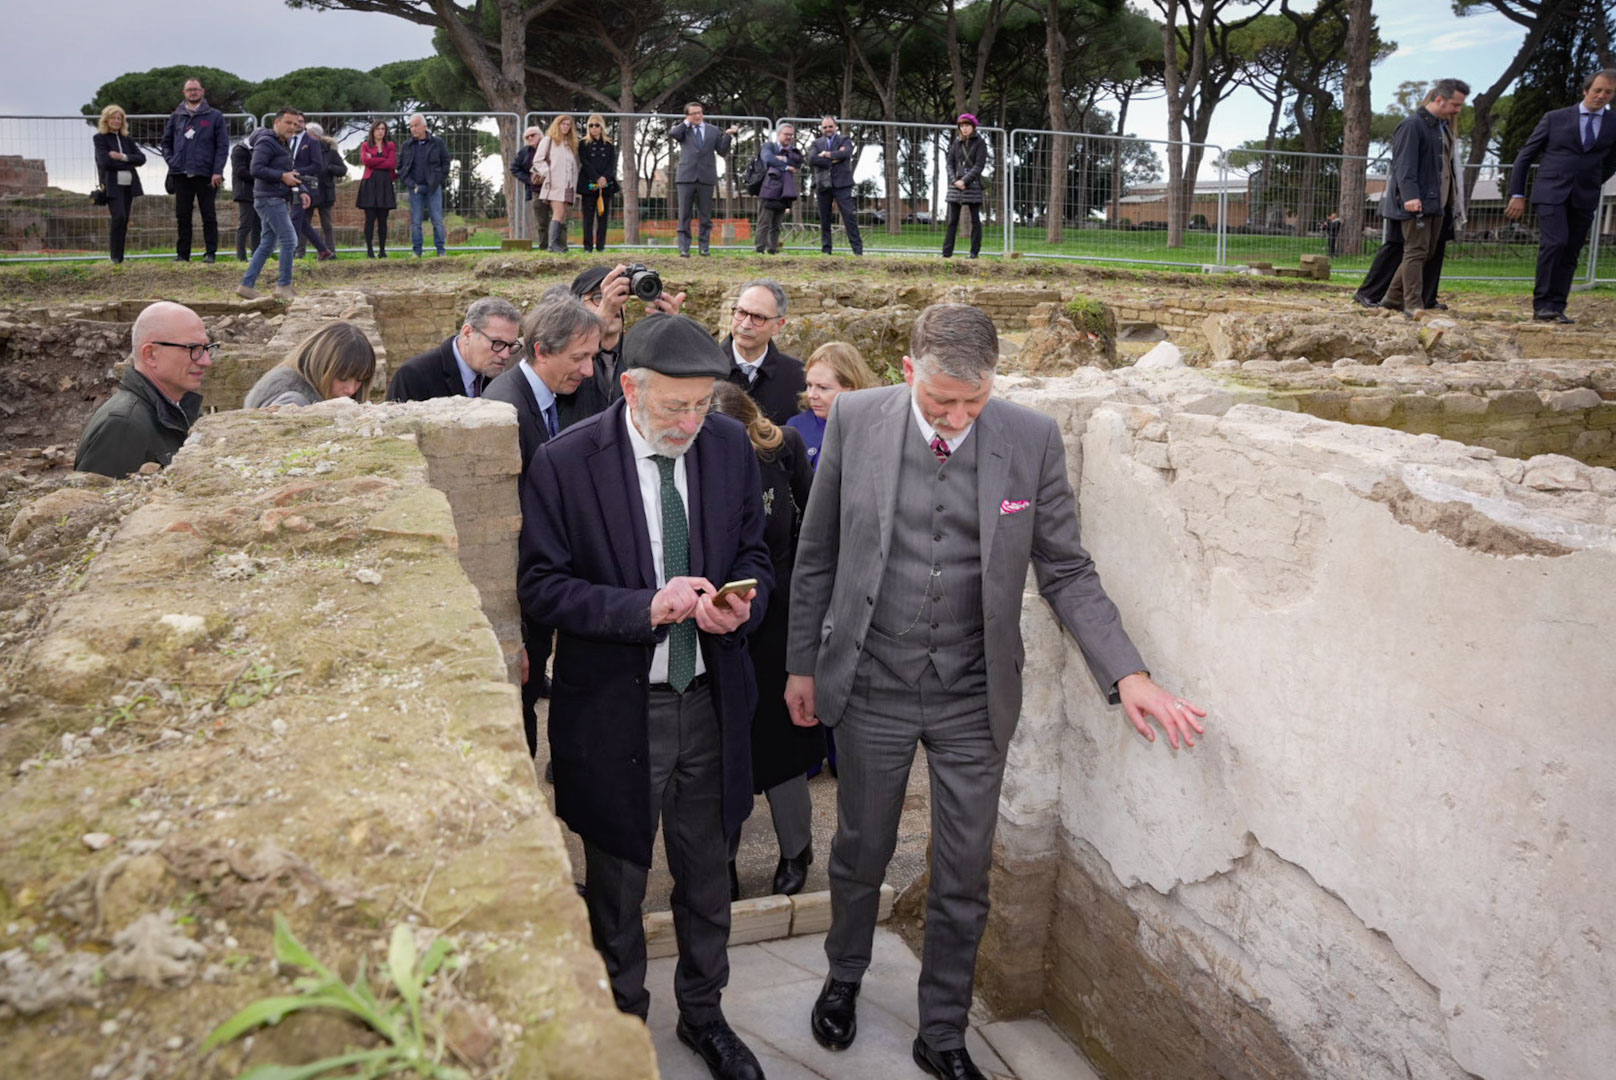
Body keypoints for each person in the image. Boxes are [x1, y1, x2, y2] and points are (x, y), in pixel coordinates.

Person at [786, 303, 1205, 1080]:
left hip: (973, 694)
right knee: (859, 850)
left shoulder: (1031, 440)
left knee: (964, 870)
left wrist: (1129, 672)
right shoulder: (854, 421)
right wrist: (801, 667)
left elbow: (1066, 568)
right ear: (909, 371)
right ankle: (844, 979)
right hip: (872, 680)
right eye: (940, 401)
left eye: (972, 404)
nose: (955, 418)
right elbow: (815, 555)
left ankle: (941, 1029)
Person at [518, 312, 773, 1080]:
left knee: (706, 875)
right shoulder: (567, 463)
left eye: (701, 405)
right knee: (618, 883)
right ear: (629, 388)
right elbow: (540, 587)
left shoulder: (727, 445)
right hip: (616, 711)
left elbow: (757, 549)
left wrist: (742, 602)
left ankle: (704, 1014)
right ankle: (622, 1026)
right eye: (673, 407)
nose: (690, 423)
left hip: (710, 701)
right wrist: (643, 609)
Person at [709, 380, 818, 902]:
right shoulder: (692, 457)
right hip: (715, 619)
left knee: (780, 742)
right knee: (718, 747)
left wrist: (801, 600)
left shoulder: (783, 448)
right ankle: (721, 857)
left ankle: (797, 849)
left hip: (777, 618)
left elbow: (813, 529)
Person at [484, 295, 607, 749]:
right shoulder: (505, 409)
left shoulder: (557, 395)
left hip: (550, 586)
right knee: (521, 710)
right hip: (524, 598)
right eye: (579, 358)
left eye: (592, 357)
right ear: (541, 349)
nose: (589, 370)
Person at [1505, 68, 1616, 324]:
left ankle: (1557, 306)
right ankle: (1541, 304)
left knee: (1571, 250)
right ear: (1586, 90)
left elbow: (1611, 162)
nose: (1601, 96)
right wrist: (1517, 193)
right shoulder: (1554, 118)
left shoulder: (1612, 124)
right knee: (1555, 243)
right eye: (1597, 90)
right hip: (1551, 193)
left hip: (1585, 196)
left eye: (1608, 92)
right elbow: (1525, 157)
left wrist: (1592, 182)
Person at [1355, 91, 1470, 312]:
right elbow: (1405, 166)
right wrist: (1410, 196)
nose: (1458, 111)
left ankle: (1401, 298)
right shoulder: (1414, 125)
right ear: (1438, 100)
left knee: (1424, 252)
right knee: (1406, 250)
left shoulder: (1442, 129)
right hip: (1414, 201)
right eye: (1455, 105)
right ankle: (1394, 299)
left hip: (1438, 201)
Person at [75, 302, 214, 478]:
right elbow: (98, 500)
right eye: (193, 349)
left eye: (207, 348)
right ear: (150, 354)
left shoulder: (179, 409)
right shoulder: (123, 426)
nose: (206, 361)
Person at [237, 108, 314, 302]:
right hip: (269, 199)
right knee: (290, 240)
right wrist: (282, 177)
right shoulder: (267, 142)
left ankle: (246, 286)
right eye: (288, 123)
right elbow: (256, 169)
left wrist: (302, 189)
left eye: (295, 124)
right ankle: (284, 286)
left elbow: (289, 172)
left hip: (275, 197)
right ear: (276, 123)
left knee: (267, 244)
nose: (292, 127)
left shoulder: (283, 144)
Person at [386, 297, 521, 402]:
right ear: (468, 333)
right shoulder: (414, 376)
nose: (506, 354)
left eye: (510, 345)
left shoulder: (503, 376)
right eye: (497, 343)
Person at [159, 77, 228, 263]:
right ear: (184, 92)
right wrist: (172, 161)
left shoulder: (215, 116)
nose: (193, 93)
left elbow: (222, 146)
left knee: (209, 215)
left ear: (202, 91)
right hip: (181, 173)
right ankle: (182, 255)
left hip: (206, 174)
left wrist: (217, 171)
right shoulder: (176, 116)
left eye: (196, 89)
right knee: (183, 215)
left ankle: (210, 253)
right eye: (189, 90)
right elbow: (166, 143)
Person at [721, 279, 806, 426]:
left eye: (758, 317)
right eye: (741, 312)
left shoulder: (799, 377)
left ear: (778, 326)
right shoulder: (703, 369)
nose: (746, 324)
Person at [786, 342, 876, 472]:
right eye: (809, 385)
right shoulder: (796, 426)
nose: (811, 395)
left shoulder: (873, 429)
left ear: (851, 388)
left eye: (823, 388)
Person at [244, 322, 377, 408]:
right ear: (321, 365)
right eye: (343, 378)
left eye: (359, 380)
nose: (351, 390)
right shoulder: (293, 402)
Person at [668, 102, 738, 257]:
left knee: (705, 216)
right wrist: (687, 122)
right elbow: (673, 133)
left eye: (699, 112)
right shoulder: (683, 130)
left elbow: (722, 151)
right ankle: (684, 248)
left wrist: (727, 135)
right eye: (693, 113)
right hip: (686, 177)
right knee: (684, 214)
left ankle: (704, 247)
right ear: (687, 116)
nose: (698, 116)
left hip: (706, 177)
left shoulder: (713, 130)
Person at [93, 105, 145, 265]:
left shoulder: (127, 139)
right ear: (106, 120)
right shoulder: (100, 138)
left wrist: (122, 157)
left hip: (129, 184)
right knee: (119, 217)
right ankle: (114, 256)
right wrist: (129, 161)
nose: (116, 121)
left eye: (119, 118)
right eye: (113, 118)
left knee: (124, 219)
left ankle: (120, 257)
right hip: (112, 184)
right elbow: (105, 162)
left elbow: (141, 159)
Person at [809, 116, 862, 256]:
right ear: (822, 128)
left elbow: (846, 153)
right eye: (825, 127)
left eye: (830, 126)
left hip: (842, 184)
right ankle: (826, 250)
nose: (828, 129)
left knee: (849, 216)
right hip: (823, 184)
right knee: (825, 218)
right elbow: (812, 159)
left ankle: (858, 251)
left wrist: (826, 154)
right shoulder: (816, 143)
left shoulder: (844, 139)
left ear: (836, 126)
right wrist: (834, 160)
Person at [400, 114, 450, 257]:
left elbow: (445, 162)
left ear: (424, 126)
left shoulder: (437, 143)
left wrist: (438, 180)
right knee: (416, 221)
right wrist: (412, 185)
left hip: (433, 188)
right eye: (411, 126)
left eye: (416, 125)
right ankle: (417, 252)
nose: (413, 129)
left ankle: (441, 251)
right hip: (415, 189)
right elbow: (402, 168)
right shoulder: (407, 145)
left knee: (437, 220)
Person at [532, 114, 581, 253]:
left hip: (568, 185)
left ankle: (557, 245)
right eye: (563, 124)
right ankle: (552, 245)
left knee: (562, 213)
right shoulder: (548, 140)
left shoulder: (568, 144)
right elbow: (537, 161)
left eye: (568, 124)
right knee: (558, 212)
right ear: (557, 125)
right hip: (554, 184)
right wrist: (548, 173)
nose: (566, 127)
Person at [942, 114, 988, 259]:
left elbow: (979, 165)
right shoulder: (956, 143)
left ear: (973, 127)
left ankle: (974, 252)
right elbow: (949, 164)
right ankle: (946, 253)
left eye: (967, 126)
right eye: (962, 126)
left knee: (975, 220)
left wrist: (965, 181)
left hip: (973, 185)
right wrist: (954, 180)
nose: (964, 128)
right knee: (952, 221)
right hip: (955, 185)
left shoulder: (980, 143)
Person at [289, 120, 335, 261]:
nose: (297, 124)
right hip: (290, 184)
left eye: (300, 121)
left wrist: (297, 172)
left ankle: (291, 253)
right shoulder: (288, 141)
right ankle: (322, 250)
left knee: (296, 218)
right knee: (302, 220)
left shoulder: (314, 143)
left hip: (307, 186)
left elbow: (318, 166)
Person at [754, 123, 803, 256]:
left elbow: (798, 162)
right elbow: (767, 158)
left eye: (791, 135)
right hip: (768, 190)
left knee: (776, 225)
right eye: (786, 134)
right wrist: (786, 166)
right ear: (778, 134)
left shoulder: (793, 150)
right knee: (764, 222)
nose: (789, 137)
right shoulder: (769, 146)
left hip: (784, 192)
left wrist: (782, 158)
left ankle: (772, 249)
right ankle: (759, 250)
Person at [303, 123, 347, 256]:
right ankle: (299, 253)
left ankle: (331, 252)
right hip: (308, 191)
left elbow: (343, 169)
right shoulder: (304, 149)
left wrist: (329, 168)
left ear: (316, 136)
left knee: (327, 224)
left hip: (325, 192)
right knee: (304, 223)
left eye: (308, 134)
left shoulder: (330, 151)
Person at [357, 120, 398, 259]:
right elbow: (365, 161)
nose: (381, 131)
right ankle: (369, 250)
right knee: (369, 219)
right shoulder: (365, 145)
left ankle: (382, 250)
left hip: (385, 185)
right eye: (378, 129)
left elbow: (392, 163)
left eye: (383, 129)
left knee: (383, 220)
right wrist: (382, 161)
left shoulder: (390, 146)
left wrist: (373, 159)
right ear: (373, 131)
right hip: (370, 185)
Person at [579, 114, 618, 253]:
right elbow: (585, 163)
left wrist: (604, 178)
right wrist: (596, 178)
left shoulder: (609, 145)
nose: (594, 128)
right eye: (591, 125)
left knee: (603, 217)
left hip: (605, 185)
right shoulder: (583, 143)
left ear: (602, 127)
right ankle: (587, 247)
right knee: (588, 217)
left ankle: (601, 246)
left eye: (597, 125)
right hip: (588, 184)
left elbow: (611, 164)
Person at [511, 125, 552, 251]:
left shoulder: (551, 148)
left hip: (554, 189)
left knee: (559, 219)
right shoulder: (525, 152)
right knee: (542, 222)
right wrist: (529, 180)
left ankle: (560, 247)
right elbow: (514, 168)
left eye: (533, 135)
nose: (530, 138)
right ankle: (543, 248)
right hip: (536, 191)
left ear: (541, 135)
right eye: (527, 137)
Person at [229, 136, 260, 263]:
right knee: (245, 225)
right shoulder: (239, 150)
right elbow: (240, 171)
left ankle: (257, 256)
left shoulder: (254, 150)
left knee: (257, 226)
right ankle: (241, 257)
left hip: (257, 193)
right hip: (245, 193)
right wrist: (260, 177)